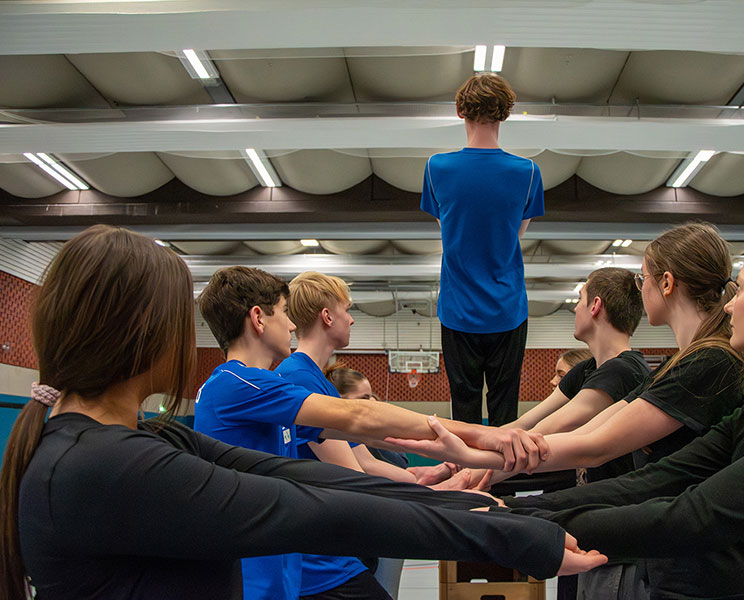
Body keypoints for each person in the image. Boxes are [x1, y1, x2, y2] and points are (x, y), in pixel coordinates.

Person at [0, 225, 608, 600]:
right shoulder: (103, 465)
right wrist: (508, 536)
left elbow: (303, 477)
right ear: (143, 336)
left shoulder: (144, 438)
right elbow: (312, 510)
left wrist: (466, 502)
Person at [390, 225, 744, 600]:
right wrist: (464, 465)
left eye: (643, 278)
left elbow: (595, 446)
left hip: (683, 559)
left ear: (666, 283)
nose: (640, 287)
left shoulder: (705, 363)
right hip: (663, 551)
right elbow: (563, 433)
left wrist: (483, 474)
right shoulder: (675, 366)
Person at [501, 233, 744, 599]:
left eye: (743, 288)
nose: (729, 304)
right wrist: (508, 509)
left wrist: (509, 522)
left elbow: (692, 515)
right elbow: (647, 482)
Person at [193, 266, 549, 600]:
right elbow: (361, 424)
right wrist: (480, 443)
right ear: (258, 318)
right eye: (284, 313)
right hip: (260, 575)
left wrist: (457, 463)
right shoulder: (240, 384)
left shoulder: (265, 387)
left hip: (282, 569)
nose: (290, 325)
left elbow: (370, 439)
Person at [422, 73, 544, 427]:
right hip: (508, 308)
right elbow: (515, 235)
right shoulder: (529, 172)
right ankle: (503, 481)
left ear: (460, 111)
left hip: (458, 309)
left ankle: (465, 480)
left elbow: (448, 230)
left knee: (464, 408)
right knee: (506, 408)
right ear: (504, 114)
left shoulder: (436, 168)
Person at [326, 365, 409, 600]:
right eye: (364, 399)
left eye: (372, 397)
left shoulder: (372, 438)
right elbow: (367, 469)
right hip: (355, 537)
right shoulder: (341, 435)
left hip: (379, 530)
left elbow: (398, 470)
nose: (372, 403)